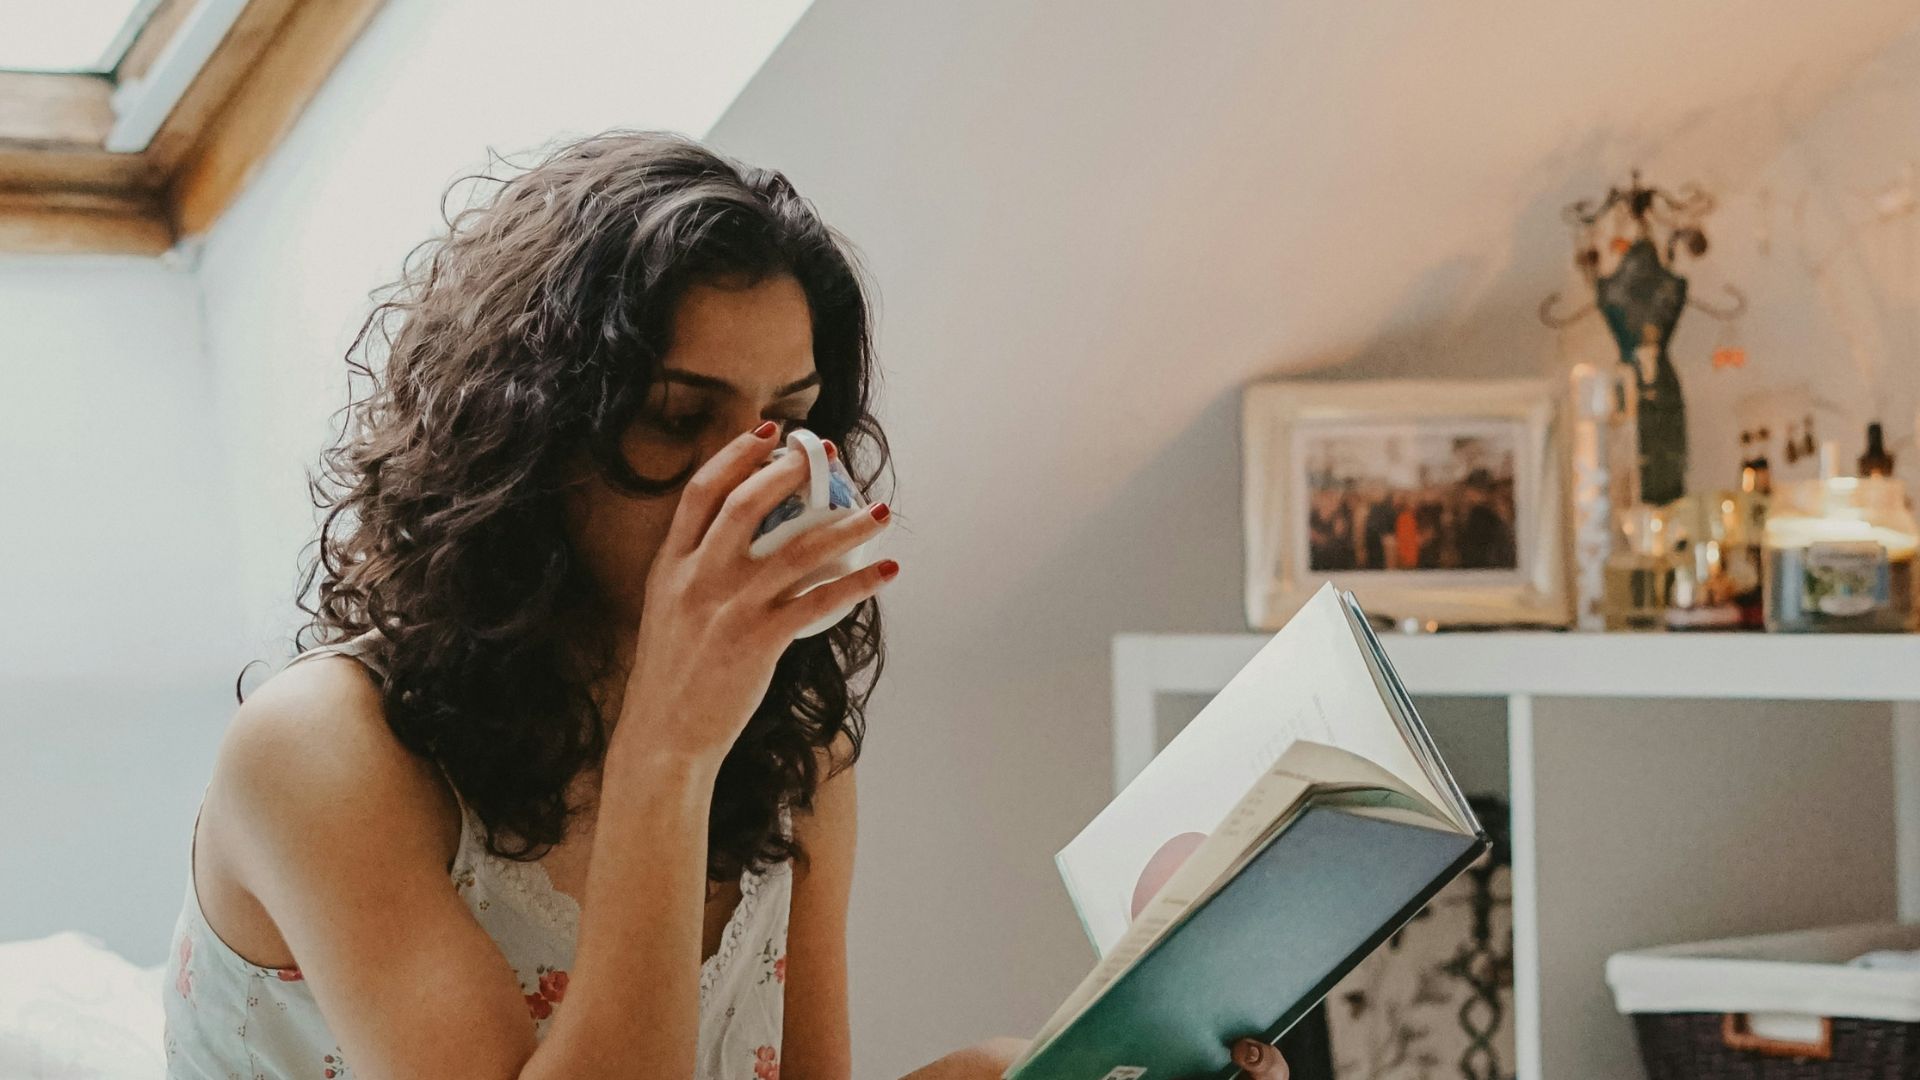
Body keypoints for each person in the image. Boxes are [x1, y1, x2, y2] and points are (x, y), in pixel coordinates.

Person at [159, 130, 1285, 1080]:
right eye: (674, 416)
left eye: (784, 417)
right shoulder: (320, 755)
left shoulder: (797, 746)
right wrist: (668, 748)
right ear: (525, 441)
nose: (752, 480)